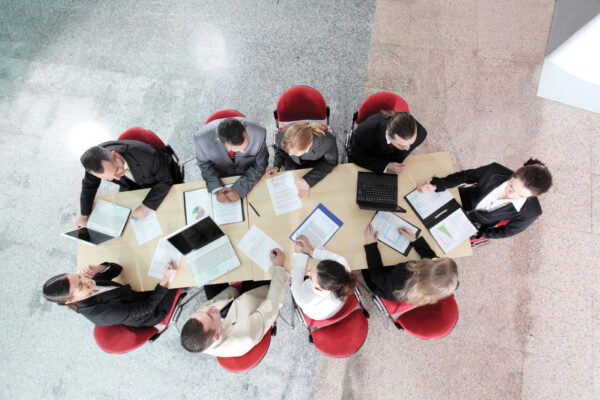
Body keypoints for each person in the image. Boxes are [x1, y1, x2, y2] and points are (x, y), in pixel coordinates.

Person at [180, 249, 289, 357]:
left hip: (228, 299)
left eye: (200, 312)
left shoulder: (197, 325)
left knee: (209, 269)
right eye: (209, 315)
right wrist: (279, 267)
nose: (208, 308)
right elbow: (273, 304)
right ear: (217, 334)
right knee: (259, 260)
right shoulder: (247, 335)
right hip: (253, 301)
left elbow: (207, 312)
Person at [416, 158, 553, 239]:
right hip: (460, 199)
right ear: (515, 173)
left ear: (534, 196)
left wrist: (480, 232)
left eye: (521, 195)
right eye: (511, 187)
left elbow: (507, 232)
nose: (510, 196)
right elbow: (465, 176)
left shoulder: (532, 212)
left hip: (470, 225)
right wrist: (439, 185)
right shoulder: (494, 171)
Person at [72, 137, 184, 227]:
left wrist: (145, 207)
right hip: (133, 182)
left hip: (163, 178)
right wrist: (83, 214)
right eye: (109, 178)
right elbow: (89, 186)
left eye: (116, 170)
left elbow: (166, 181)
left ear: (115, 155)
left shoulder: (147, 155)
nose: (116, 178)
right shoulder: (96, 162)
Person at [42, 260, 179, 327]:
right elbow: (147, 307)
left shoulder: (88, 284)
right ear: (70, 301)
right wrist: (165, 279)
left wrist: (98, 268)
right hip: (153, 311)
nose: (85, 280)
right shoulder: (102, 314)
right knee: (179, 277)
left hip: (137, 295)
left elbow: (117, 269)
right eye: (80, 285)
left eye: (78, 276)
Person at [362, 224, 458, 305]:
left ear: (425, 268)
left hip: (379, 283)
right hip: (393, 279)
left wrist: (371, 246)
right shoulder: (433, 281)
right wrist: (414, 240)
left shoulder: (401, 280)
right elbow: (431, 257)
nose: (436, 257)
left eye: (437, 259)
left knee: (362, 263)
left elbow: (376, 275)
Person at [194, 117, 268, 203]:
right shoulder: (201, 139)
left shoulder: (259, 133)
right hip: (221, 175)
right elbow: (204, 164)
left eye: (245, 146)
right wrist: (217, 189)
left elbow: (260, 165)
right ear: (220, 141)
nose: (243, 151)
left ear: (242, 126)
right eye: (238, 149)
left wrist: (239, 189)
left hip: (248, 173)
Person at [290, 235, 358, 320]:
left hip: (318, 314)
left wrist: (299, 253)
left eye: (311, 278)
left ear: (322, 288)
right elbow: (335, 257)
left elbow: (296, 281)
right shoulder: (342, 266)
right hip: (335, 307)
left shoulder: (305, 299)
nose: (308, 273)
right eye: (314, 267)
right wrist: (310, 250)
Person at [266, 123, 338, 199]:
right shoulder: (283, 135)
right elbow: (281, 150)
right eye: (289, 151)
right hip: (293, 163)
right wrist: (276, 166)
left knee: (318, 194)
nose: (290, 154)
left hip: (317, 164)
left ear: (309, 145)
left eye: (295, 152)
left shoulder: (327, 142)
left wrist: (308, 180)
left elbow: (330, 163)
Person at [348, 110, 427, 174]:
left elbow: (399, 157)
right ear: (388, 135)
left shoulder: (420, 134)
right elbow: (354, 156)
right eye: (401, 145)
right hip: (368, 159)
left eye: (411, 143)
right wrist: (386, 166)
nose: (407, 148)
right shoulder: (365, 131)